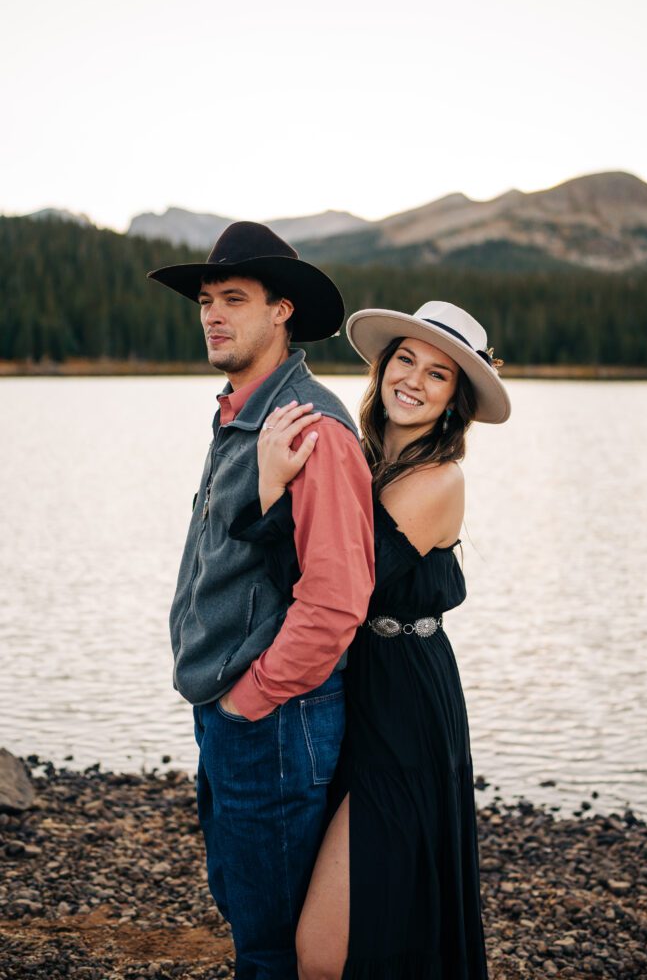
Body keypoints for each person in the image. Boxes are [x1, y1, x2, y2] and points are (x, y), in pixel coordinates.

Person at [231, 301, 511, 979]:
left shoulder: (437, 480)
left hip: (406, 707)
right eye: (404, 360)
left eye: (437, 374)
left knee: (324, 952)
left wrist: (275, 491)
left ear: (454, 402)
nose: (412, 380)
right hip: (351, 685)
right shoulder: (360, 457)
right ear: (383, 368)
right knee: (376, 907)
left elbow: (335, 585)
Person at [147, 221, 375, 980]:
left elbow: (337, 600)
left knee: (274, 943)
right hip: (236, 712)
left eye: (233, 299)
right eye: (206, 300)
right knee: (245, 906)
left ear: (281, 310)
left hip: (277, 720)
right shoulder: (241, 413)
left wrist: (253, 697)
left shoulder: (313, 428)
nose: (212, 313)